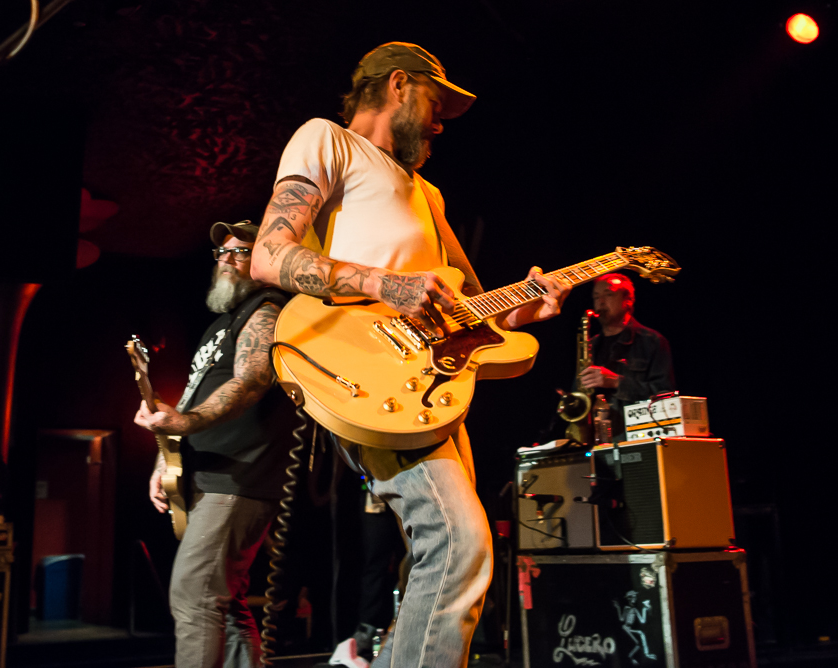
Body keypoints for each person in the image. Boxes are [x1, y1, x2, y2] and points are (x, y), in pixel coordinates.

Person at [249, 42, 570, 668]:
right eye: (434, 103)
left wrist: (523, 310)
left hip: (431, 388)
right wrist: (384, 284)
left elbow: (473, 306)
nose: (440, 123)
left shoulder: (428, 195)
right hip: (365, 373)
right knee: (460, 546)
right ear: (397, 84)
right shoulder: (328, 140)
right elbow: (269, 254)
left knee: (459, 557)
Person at [135, 220, 298, 668]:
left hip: (238, 476)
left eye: (240, 251)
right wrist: (164, 460)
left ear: (264, 262)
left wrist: (185, 421)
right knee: (222, 606)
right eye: (222, 252)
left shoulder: (266, 311)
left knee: (194, 597)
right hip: (208, 473)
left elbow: (251, 381)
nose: (226, 259)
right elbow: (191, 398)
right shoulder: (220, 325)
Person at [578, 273, 675, 420]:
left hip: (634, 429)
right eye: (596, 297)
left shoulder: (652, 341)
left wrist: (616, 381)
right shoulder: (590, 345)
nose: (600, 302)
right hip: (596, 431)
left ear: (628, 300)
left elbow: (665, 396)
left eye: (608, 295)